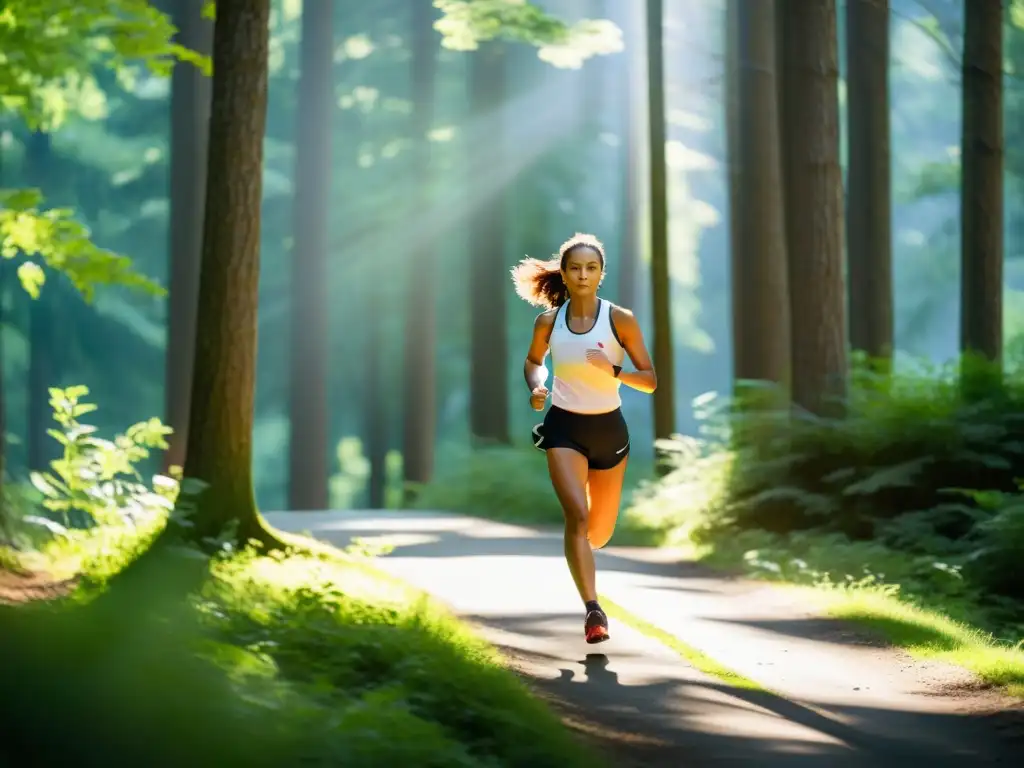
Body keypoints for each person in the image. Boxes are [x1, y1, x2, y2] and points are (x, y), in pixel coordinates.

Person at [510, 233, 657, 644]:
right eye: (575, 268)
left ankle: (587, 558)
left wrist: (614, 371)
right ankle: (594, 611)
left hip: (609, 429)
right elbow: (534, 362)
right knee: (576, 516)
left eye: (591, 268)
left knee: (599, 531)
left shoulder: (620, 319)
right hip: (564, 427)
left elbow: (650, 381)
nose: (582, 275)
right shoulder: (548, 322)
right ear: (564, 273)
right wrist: (538, 387)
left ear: (601, 274)